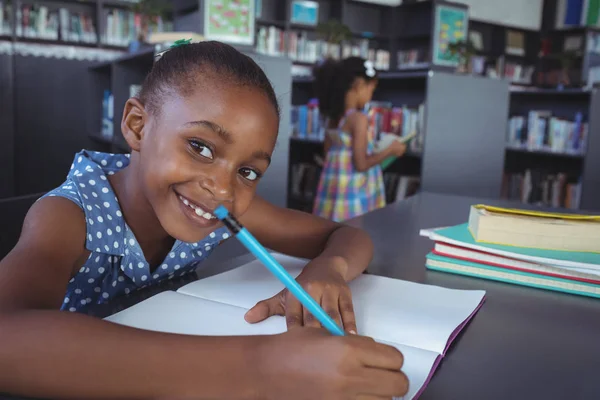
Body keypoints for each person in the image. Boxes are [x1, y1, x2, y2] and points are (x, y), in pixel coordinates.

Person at [0, 41, 408, 399]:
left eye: (248, 172)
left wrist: (329, 269)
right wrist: (261, 369)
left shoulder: (221, 208)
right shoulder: (68, 217)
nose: (224, 189)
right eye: (200, 147)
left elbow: (345, 234)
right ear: (137, 126)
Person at [312, 57, 407, 222]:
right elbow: (361, 164)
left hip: (335, 193)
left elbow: (328, 154)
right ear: (359, 86)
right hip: (354, 194)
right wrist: (390, 150)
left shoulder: (333, 119)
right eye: (371, 89)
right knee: (354, 238)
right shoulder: (358, 119)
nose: (371, 96)